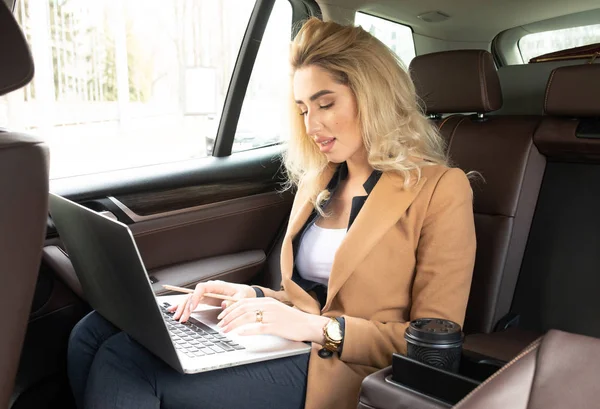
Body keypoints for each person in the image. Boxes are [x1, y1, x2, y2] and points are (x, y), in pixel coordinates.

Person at [67, 17, 476, 409]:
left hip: (350, 370)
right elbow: (314, 296)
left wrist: (318, 330)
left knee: (127, 361)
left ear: (375, 96)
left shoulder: (441, 189)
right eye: (302, 109)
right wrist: (254, 296)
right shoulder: (320, 181)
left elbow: (433, 351)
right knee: (93, 332)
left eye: (325, 104)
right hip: (291, 343)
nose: (312, 125)